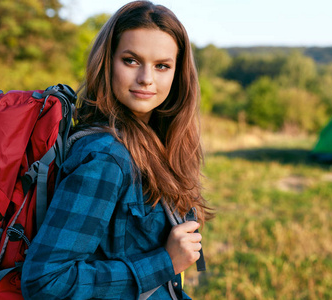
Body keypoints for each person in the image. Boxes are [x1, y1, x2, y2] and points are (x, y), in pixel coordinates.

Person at [21, 1, 212, 299]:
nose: (146, 78)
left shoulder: (155, 142)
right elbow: (45, 280)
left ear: (178, 75)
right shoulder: (106, 156)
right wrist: (165, 262)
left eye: (162, 65)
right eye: (131, 60)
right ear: (107, 62)